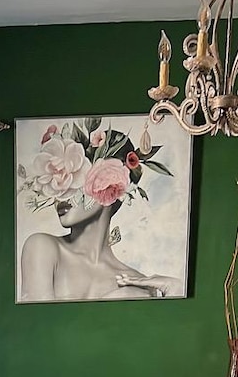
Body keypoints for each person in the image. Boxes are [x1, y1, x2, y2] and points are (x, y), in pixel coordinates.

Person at [19, 120, 182, 302]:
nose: (62, 194)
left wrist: (175, 289)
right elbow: (36, 326)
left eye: (76, 179)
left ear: (114, 187)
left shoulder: (136, 282)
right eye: (58, 181)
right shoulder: (42, 247)